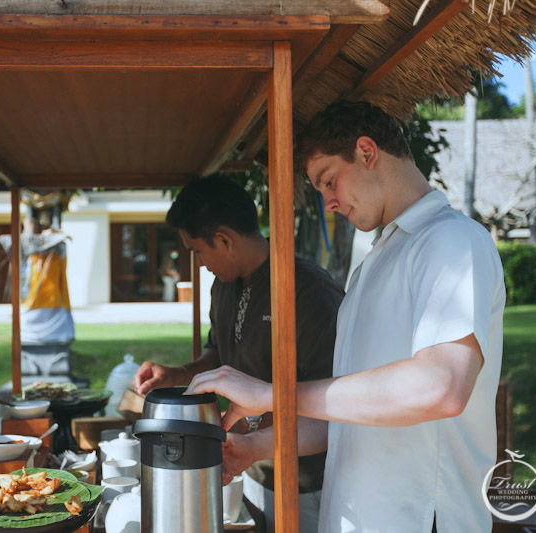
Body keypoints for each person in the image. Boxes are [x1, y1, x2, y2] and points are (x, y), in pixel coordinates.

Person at [187, 101, 506, 532]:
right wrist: (257, 446)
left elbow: (441, 387)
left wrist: (275, 393)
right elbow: (348, 412)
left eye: (329, 181)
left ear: (367, 151)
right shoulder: (374, 263)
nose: (330, 202)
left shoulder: (451, 241)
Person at [133, 175, 343, 532]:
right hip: (245, 464)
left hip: (305, 480)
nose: (198, 263)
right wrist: (179, 374)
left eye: (198, 250)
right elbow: (218, 353)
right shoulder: (223, 286)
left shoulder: (309, 293)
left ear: (224, 239)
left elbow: (333, 402)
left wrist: (256, 444)